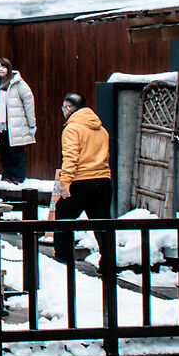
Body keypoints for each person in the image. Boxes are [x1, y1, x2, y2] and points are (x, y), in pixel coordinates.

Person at [53, 93, 113, 269]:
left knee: (63, 215)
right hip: (102, 180)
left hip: (81, 180)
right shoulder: (101, 129)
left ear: (69, 108)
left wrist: (65, 183)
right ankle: (108, 262)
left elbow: (70, 157)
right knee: (102, 223)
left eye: (64, 108)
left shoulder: (72, 129)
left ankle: (62, 258)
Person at [0, 58, 36, 182]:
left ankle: (18, 177)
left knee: (16, 152)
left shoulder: (18, 82)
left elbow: (28, 102)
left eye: (3, 67)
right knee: (3, 152)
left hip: (15, 124)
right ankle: (6, 176)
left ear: (8, 69)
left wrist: (32, 123)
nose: (0, 69)